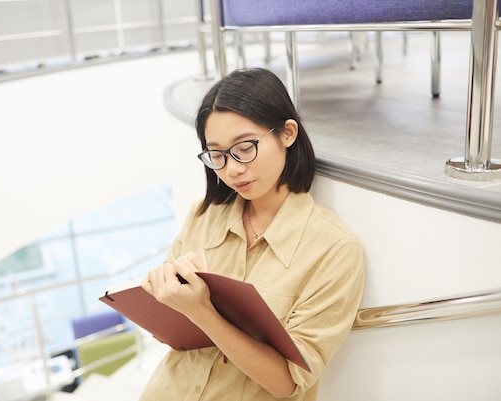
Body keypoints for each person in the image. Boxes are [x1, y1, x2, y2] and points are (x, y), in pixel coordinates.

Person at [139, 67, 364, 401]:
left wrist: (203, 312)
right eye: (216, 155)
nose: (232, 169)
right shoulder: (203, 214)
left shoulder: (333, 249)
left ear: (287, 133)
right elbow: (172, 334)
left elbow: (286, 383)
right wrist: (163, 296)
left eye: (244, 148)